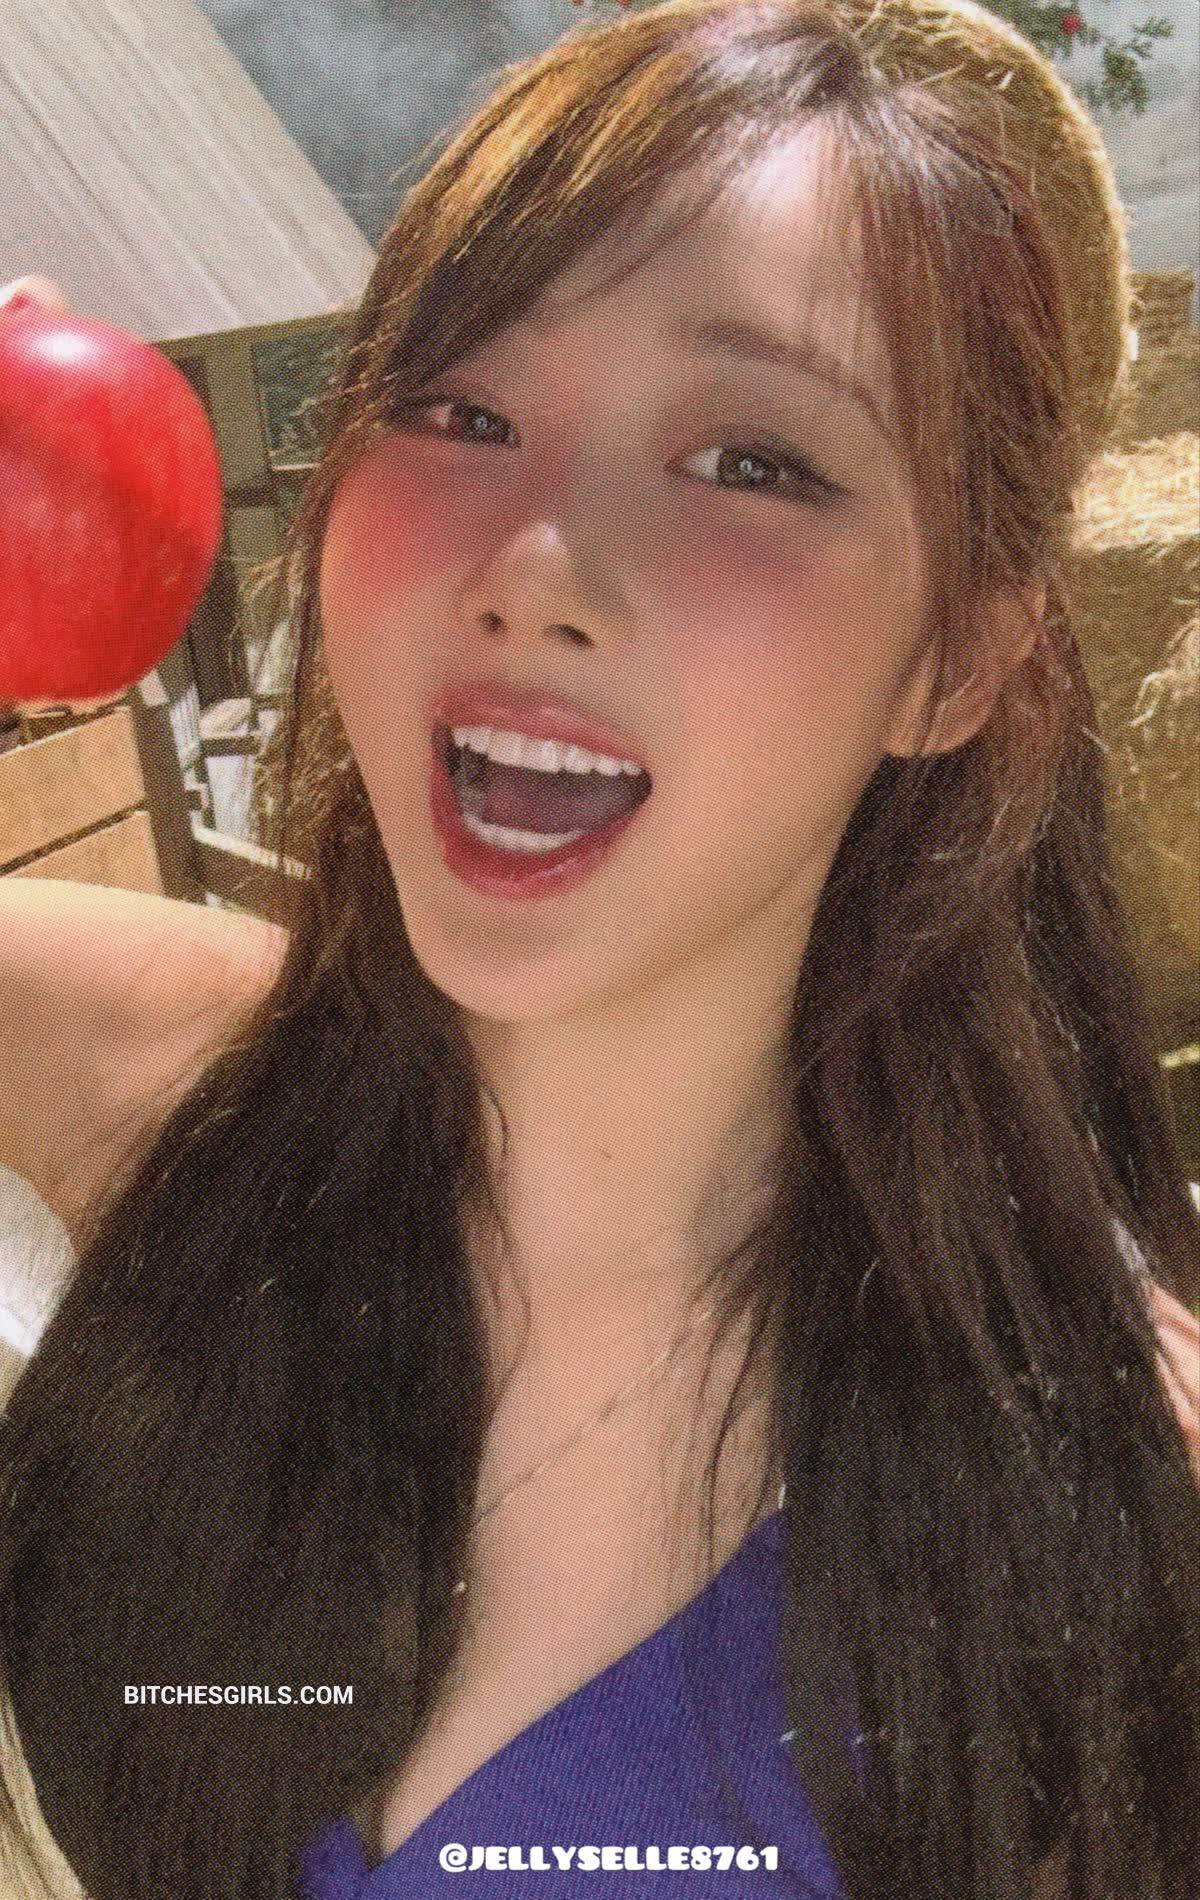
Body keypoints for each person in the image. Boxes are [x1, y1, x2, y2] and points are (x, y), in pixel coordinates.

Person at [1, 1, 1198, 1895]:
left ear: (962, 655)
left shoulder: (1101, 1501)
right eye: (462, 414)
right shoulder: (165, 1100)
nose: (536, 564)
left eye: (754, 461)